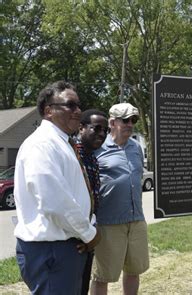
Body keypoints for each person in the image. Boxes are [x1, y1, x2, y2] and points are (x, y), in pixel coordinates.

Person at [13, 81, 100, 294]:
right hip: (52, 250)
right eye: (70, 105)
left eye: (78, 105)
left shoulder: (62, 143)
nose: (78, 111)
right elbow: (54, 202)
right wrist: (89, 234)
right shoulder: (42, 144)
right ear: (48, 110)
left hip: (66, 246)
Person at [91, 103, 149, 295]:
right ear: (112, 122)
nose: (130, 124)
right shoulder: (98, 149)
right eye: (125, 120)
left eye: (133, 120)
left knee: (134, 271)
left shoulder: (136, 148)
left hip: (136, 220)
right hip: (108, 223)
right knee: (102, 276)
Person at [74, 109, 108, 295]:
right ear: (81, 128)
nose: (102, 134)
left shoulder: (92, 157)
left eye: (105, 130)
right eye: (96, 128)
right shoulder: (72, 155)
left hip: (88, 236)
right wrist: (84, 234)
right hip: (73, 240)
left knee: (82, 289)